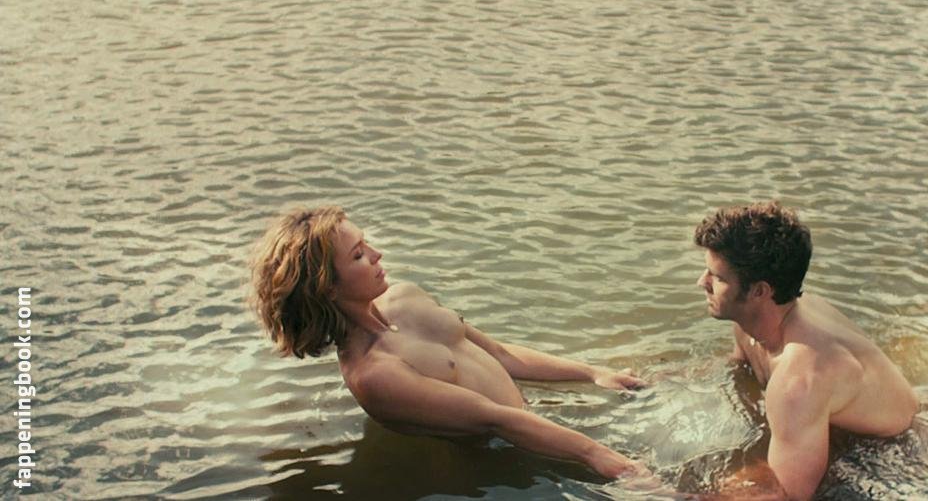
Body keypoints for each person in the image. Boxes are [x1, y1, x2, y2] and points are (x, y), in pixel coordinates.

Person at [248, 205, 648, 479]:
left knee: (657, 381)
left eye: (366, 243)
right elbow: (496, 420)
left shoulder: (404, 298)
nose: (377, 254)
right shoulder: (375, 375)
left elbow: (498, 353)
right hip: (519, 456)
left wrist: (592, 374)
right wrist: (605, 459)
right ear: (327, 288)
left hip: (541, 417)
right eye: (358, 256)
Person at [693, 201, 921, 500]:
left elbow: (788, 495)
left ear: (760, 291)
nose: (702, 282)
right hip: (839, 430)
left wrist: (658, 489)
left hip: (891, 459)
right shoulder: (754, 323)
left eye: (718, 277)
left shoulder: (799, 379)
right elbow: (737, 372)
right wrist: (651, 384)